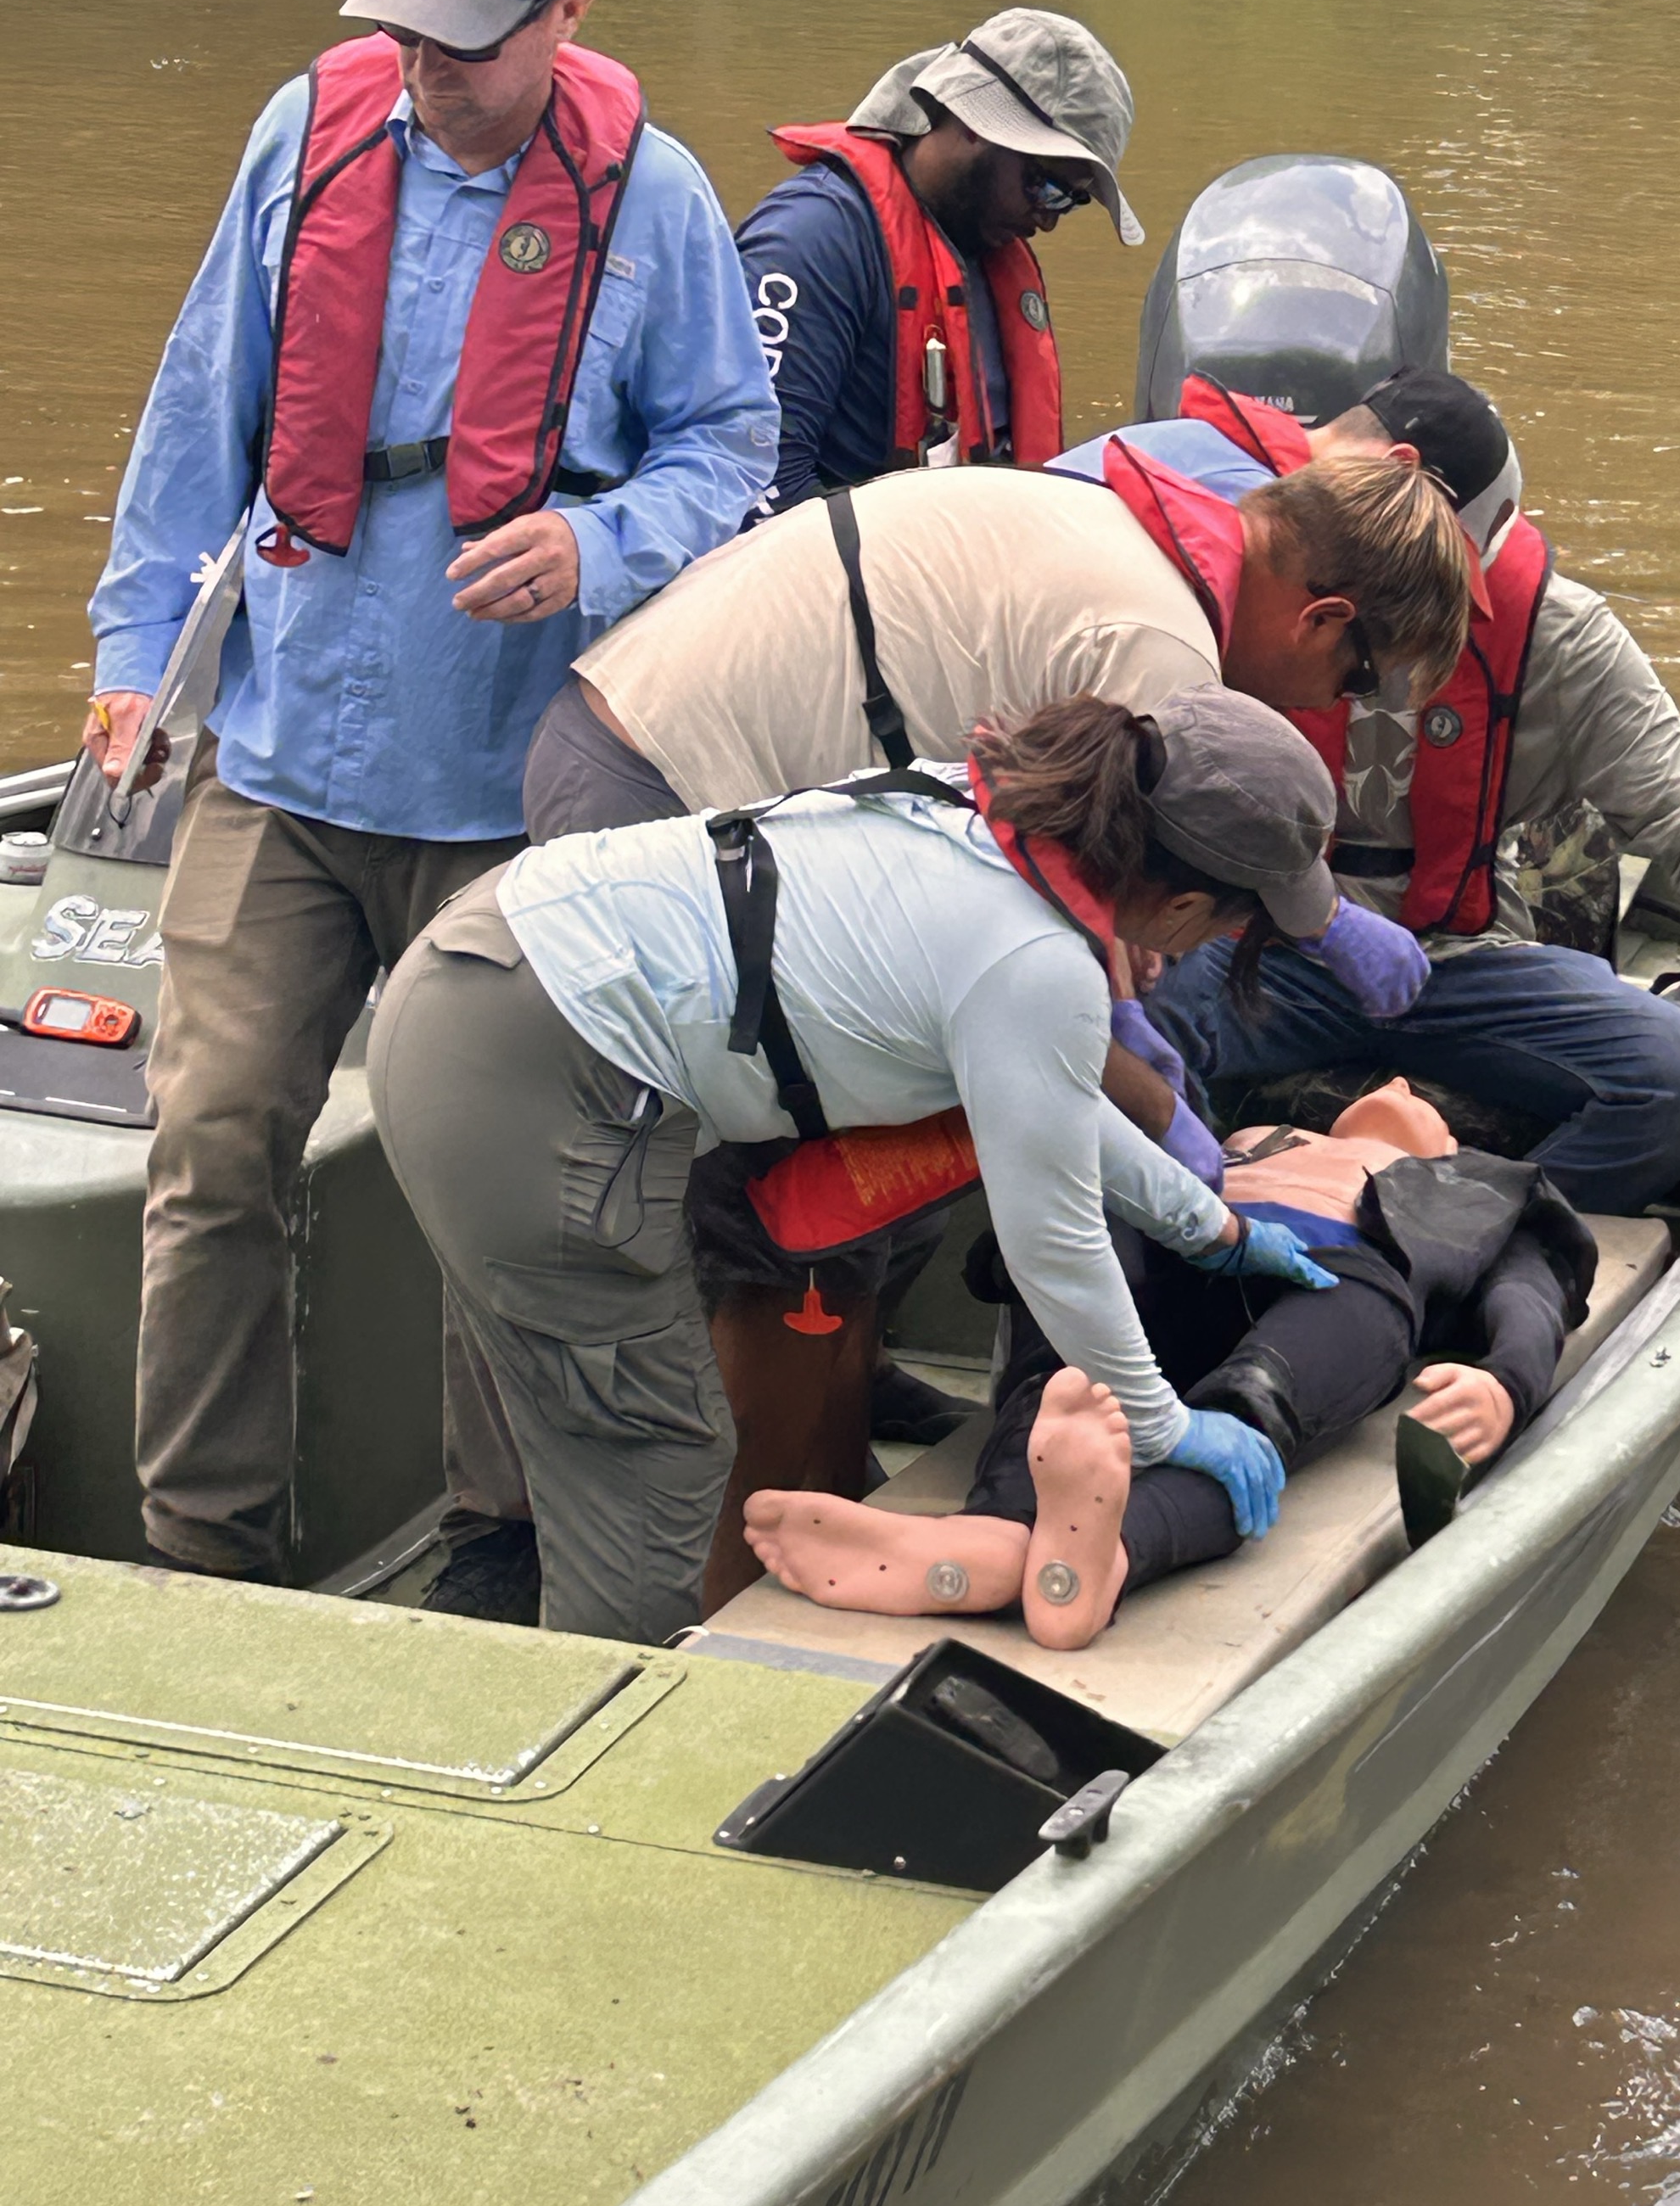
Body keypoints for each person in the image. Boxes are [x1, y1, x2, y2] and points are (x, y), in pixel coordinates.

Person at [82, 0, 779, 1600]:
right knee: (210, 1144)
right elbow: (200, 408)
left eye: (468, 38)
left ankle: (494, 1545)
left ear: (569, 14)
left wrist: (600, 543)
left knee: (499, 1184)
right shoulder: (305, 137)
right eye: (405, 27)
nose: (428, 67)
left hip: (508, 793)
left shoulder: (655, 201)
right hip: (284, 759)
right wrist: (135, 650)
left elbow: (730, 448)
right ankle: (201, 1551)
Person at [368, 689, 1362, 1641]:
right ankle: (614, 1732)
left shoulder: (968, 805)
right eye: (1236, 923)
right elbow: (1055, 1245)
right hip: (539, 1059)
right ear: (1184, 903)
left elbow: (1051, 1107)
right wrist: (1162, 1427)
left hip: (491, 959)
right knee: (651, 1457)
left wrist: (1211, 1228)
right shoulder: (1036, 964)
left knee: (610, 1439)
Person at [1087, 367, 1680, 1212]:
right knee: (1112, 1046)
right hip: (1258, 945)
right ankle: (1206, 1224)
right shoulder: (1245, 580)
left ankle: (1482, 1231)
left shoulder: (1562, 636)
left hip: (1453, 959)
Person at [742, 1077, 1596, 1651]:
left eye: (1424, 1098)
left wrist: (1507, 1381)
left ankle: (1110, 1552)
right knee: (1075, 1339)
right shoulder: (1239, 1139)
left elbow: (1532, 1292)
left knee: (1257, 1408)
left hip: (1334, 1280)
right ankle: (1003, 1530)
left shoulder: (1481, 1185)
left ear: (1453, 1141)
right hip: (1170, 1256)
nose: (1400, 1086)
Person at [735, 9, 1139, 510]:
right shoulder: (812, 240)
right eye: (1046, 186)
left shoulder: (983, 242)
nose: (1049, 220)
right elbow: (753, 481)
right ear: (975, 124)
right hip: (850, 553)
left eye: (1070, 201)